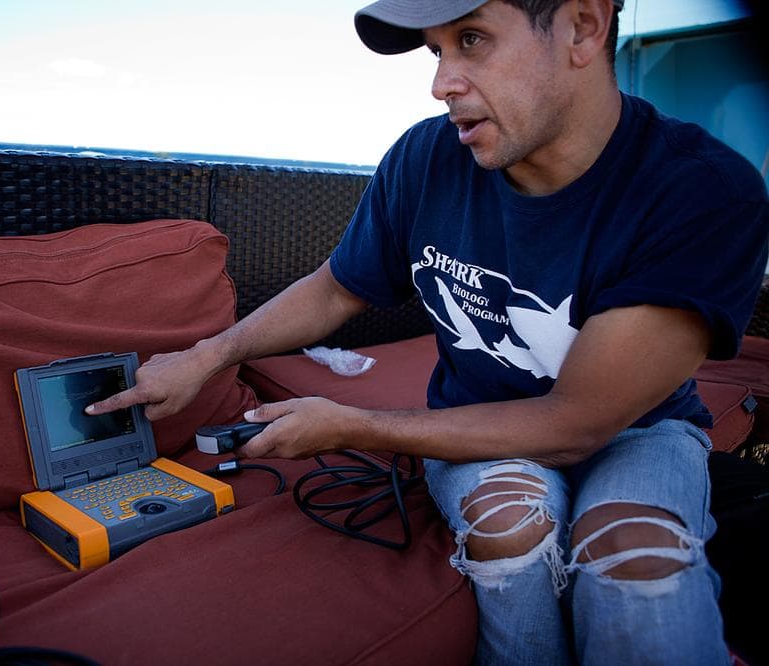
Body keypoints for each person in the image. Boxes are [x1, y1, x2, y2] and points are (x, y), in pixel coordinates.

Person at [87, 0, 769, 662]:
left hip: (636, 432)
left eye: (471, 39)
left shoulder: (700, 190)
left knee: (632, 560)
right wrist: (208, 355)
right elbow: (336, 287)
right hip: (477, 421)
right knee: (512, 526)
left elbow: (580, 422)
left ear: (582, 27)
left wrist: (349, 424)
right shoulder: (425, 158)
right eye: (436, 49)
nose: (441, 82)